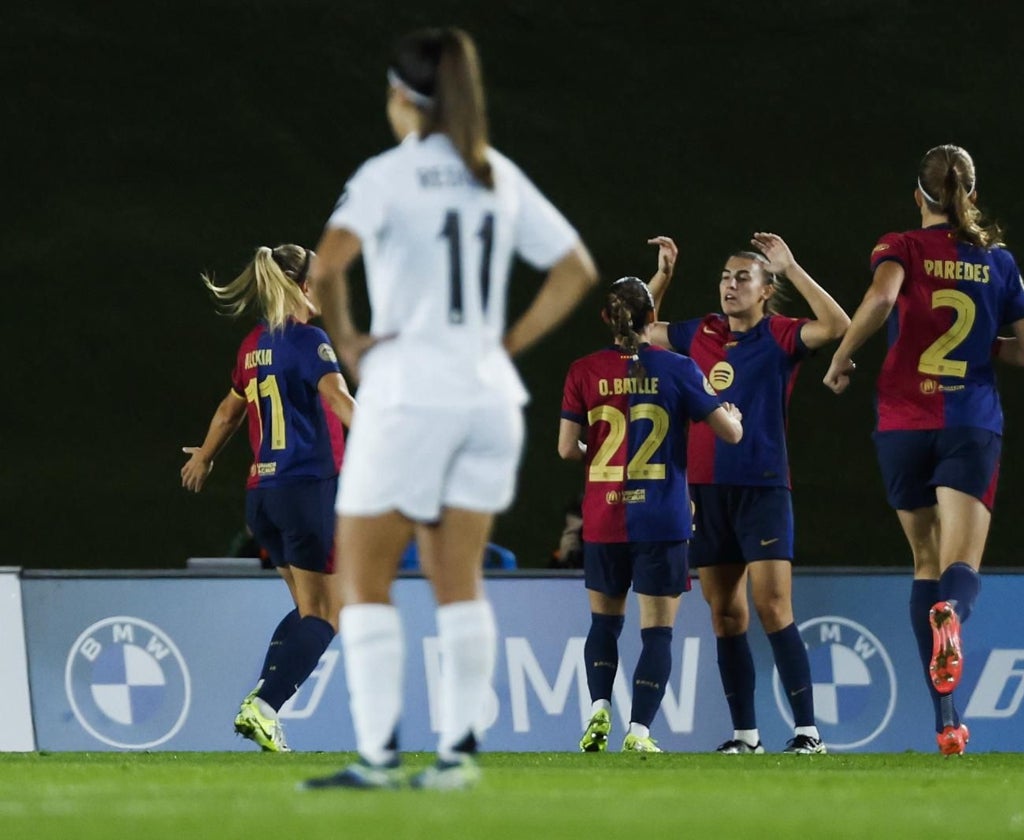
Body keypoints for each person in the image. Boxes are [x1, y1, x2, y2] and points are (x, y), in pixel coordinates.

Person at [300, 27, 598, 790]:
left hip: (410, 393)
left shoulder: (388, 175)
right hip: (488, 398)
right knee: (457, 580)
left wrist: (352, 343)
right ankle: (459, 756)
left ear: (403, 99)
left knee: (361, 581)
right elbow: (576, 268)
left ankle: (377, 758)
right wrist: (507, 340)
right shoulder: (492, 171)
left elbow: (328, 265)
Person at [822, 144, 1024, 755]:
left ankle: (947, 722)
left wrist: (843, 359)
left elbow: (877, 301)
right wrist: (982, 344)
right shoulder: (997, 261)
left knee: (923, 560)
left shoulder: (901, 245)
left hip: (902, 422)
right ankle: (953, 614)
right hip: (969, 422)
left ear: (918, 195)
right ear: (970, 195)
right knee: (959, 570)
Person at [644, 233, 850, 754]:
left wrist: (793, 266)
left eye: (742, 277)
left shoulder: (780, 335)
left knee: (773, 606)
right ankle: (746, 736)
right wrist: (664, 276)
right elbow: (643, 330)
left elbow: (838, 325)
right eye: (724, 276)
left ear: (765, 290)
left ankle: (808, 731)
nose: (729, 285)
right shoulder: (702, 332)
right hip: (706, 491)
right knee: (725, 614)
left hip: (761, 487)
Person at [181, 243, 356, 752]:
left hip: (264, 497)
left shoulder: (252, 345)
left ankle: (262, 701)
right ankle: (265, 703)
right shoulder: (308, 340)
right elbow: (339, 400)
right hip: (307, 489)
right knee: (328, 614)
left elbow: (229, 411)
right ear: (303, 285)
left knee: (308, 608)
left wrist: (205, 458)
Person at [560, 277, 744, 754]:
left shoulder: (583, 370)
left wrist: (596, 452)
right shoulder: (679, 368)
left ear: (606, 318)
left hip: (603, 517)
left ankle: (599, 707)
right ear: (651, 320)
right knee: (657, 630)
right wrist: (734, 417)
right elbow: (729, 434)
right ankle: (639, 732)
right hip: (661, 518)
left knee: (604, 624)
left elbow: (565, 448)